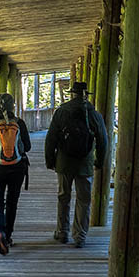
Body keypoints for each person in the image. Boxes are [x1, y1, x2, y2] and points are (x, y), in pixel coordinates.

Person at [45, 81, 108, 248]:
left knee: (63, 197)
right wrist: (99, 162)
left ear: (72, 94)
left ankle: (62, 232)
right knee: (84, 200)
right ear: (86, 94)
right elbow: (103, 140)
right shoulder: (94, 114)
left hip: (64, 162)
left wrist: (50, 160)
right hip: (85, 163)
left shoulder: (62, 111)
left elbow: (51, 138)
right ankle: (80, 236)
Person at [0, 91, 31, 255]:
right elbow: (28, 146)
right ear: (13, 105)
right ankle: (8, 236)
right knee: (12, 202)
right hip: (17, 167)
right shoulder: (19, 122)